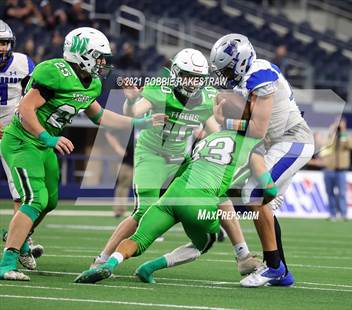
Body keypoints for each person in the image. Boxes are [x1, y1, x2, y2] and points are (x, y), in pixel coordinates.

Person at [0, 27, 166, 281]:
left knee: (50, 201)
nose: (102, 64)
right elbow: (25, 109)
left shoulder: (92, 83)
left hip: (43, 146)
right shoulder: (54, 71)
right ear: (81, 54)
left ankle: (18, 237)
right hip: (23, 142)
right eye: (98, 57)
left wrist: (139, 123)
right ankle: (7, 262)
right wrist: (47, 137)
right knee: (34, 199)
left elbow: (100, 116)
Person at [90, 50, 262, 276]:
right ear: (175, 73)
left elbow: (215, 131)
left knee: (220, 196)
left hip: (181, 158)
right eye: (188, 76)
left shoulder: (208, 97)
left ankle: (243, 256)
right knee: (143, 211)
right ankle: (101, 259)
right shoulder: (159, 89)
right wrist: (131, 99)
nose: (192, 82)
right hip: (152, 155)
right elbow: (134, 113)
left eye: (197, 78)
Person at [210, 33, 314, 287]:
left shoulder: (261, 77)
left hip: (293, 140)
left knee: (254, 195)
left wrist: (225, 120)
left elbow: (257, 129)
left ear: (240, 61)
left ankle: (274, 267)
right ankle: (281, 271)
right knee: (264, 204)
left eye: (226, 69)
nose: (224, 75)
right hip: (277, 144)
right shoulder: (250, 76)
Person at [0, 19, 44, 271]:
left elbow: (34, 97)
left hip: (13, 135)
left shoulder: (23, 63)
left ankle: (21, 244)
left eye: (5, 43)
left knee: (22, 193)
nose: (2, 49)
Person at [322, 118, 352, 220]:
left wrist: (343, 133)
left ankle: (343, 213)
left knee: (342, 193)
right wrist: (332, 130)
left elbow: (350, 146)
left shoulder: (346, 136)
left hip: (341, 170)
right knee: (330, 193)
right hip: (329, 168)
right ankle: (333, 214)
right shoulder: (331, 136)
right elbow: (324, 144)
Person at [104, 129, 135, 218]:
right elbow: (109, 133)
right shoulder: (127, 124)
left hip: (141, 160)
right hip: (127, 162)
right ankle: (119, 210)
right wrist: (118, 148)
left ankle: (145, 209)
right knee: (123, 186)